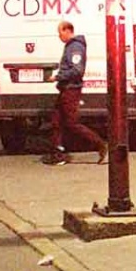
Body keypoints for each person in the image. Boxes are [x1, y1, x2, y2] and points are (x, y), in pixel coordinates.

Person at [43, 21, 107, 166]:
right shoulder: (70, 46)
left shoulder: (75, 47)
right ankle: (58, 153)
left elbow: (77, 70)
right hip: (65, 89)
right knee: (56, 121)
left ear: (68, 30)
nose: (59, 36)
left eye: (60, 32)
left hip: (71, 89)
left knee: (71, 123)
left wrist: (57, 77)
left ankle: (100, 144)